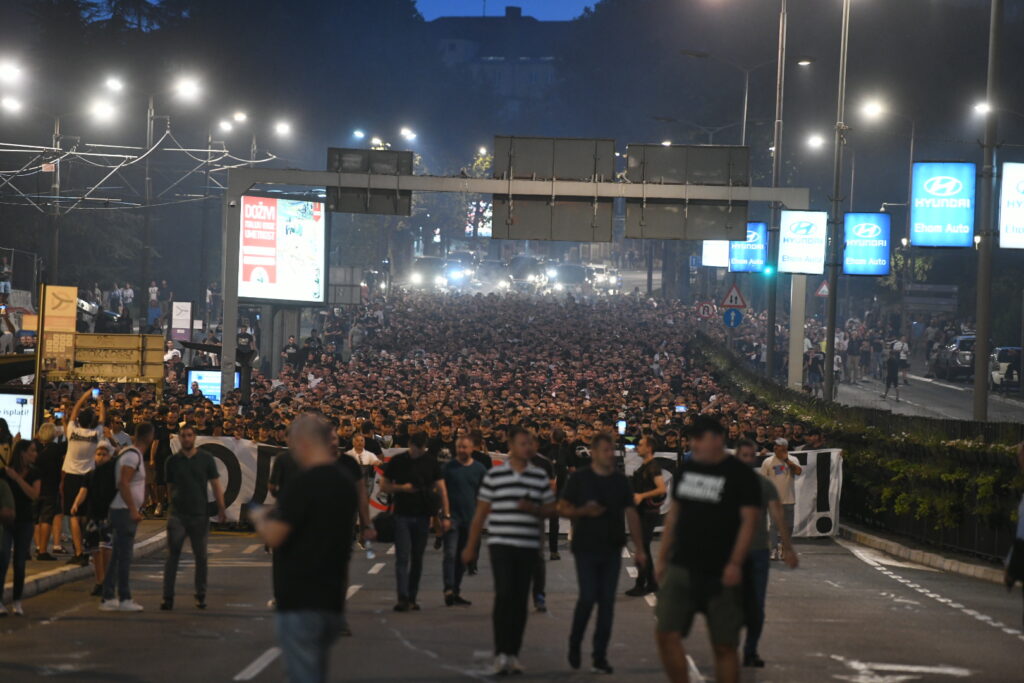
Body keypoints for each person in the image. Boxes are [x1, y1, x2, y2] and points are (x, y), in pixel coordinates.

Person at [654, 415, 761, 683]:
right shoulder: (687, 470)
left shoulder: (740, 475)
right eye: (692, 440)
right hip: (683, 564)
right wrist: (662, 558)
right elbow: (674, 516)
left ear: (717, 439)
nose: (694, 445)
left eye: (699, 439)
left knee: (724, 646)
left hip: (723, 570)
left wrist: (736, 564)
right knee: (665, 633)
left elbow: (750, 522)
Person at [255, 414, 357, 683]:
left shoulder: (302, 484)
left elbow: (276, 536)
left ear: (302, 443)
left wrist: (259, 519)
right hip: (332, 599)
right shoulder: (344, 481)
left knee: (302, 674)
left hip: (301, 599)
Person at [462, 426, 557, 676]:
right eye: (523, 444)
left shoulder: (538, 476)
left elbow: (550, 509)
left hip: (527, 546)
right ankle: (501, 652)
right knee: (504, 596)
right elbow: (481, 512)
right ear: (511, 447)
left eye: (531, 444)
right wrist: (470, 546)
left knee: (519, 600)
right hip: (501, 544)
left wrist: (533, 509)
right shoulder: (495, 476)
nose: (528, 448)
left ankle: (513, 653)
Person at [558, 432, 646, 675]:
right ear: (594, 452)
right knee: (587, 598)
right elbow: (563, 507)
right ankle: (575, 644)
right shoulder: (580, 479)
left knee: (606, 604)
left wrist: (639, 549)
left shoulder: (620, 481)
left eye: (612, 450)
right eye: (606, 450)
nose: (610, 454)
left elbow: (631, 514)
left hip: (611, 547)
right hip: (586, 547)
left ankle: (600, 655)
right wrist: (583, 511)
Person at [734, 439, 798, 667]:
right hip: (732, 554)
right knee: (731, 604)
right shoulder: (725, 485)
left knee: (757, 606)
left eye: (751, 456)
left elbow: (778, 517)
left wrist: (788, 547)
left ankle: (750, 650)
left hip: (759, 551)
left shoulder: (764, 485)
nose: (747, 460)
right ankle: (728, 649)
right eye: (743, 455)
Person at [380, 431, 451, 611]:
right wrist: (401, 488)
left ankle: (412, 596)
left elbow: (441, 489)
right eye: (415, 447)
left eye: (421, 448)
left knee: (417, 558)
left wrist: (446, 515)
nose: (418, 451)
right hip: (402, 514)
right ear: (410, 444)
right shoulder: (398, 461)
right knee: (402, 557)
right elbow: (384, 485)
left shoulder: (430, 462)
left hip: (423, 516)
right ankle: (402, 597)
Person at [161, 424, 227, 611]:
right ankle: (167, 597)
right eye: (183, 436)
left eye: (190, 435)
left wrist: (221, 508)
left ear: (195, 437)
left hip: (199, 514)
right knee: (172, 556)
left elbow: (215, 484)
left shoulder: (206, 459)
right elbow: (169, 487)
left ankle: (200, 594)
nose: (187, 439)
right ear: (180, 438)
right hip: (177, 515)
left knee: (201, 557)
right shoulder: (172, 461)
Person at [99, 422, 154, 612]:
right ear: (149, 437)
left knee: (117, 556)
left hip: (122, 509)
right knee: (124, 556)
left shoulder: (128, 453)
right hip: (123, 511)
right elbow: (123, 483)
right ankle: (124, 597)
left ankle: (108, 596)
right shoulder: (132, 455)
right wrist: (133, 510)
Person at [63, 388, 106, 566]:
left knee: (73, 515)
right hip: (89, 477)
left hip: (71, 476)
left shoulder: (72, 432)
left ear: (79, 421)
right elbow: (103, 418)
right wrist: (100, 400)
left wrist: (85, 396)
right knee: (86, 515)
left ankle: (78, 550)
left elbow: (73, 414)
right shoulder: (95, 434)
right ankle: (88, 547)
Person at [70, 440, 118, 597]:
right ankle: (99, 581)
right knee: (95, 551)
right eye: (98, 454)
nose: (101, 457)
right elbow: (83, 491)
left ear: (110, 456)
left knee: (106, 549)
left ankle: (108, 581)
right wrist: (76, 503)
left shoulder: (114, 474)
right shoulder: (90, 474)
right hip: (93, 515)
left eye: (104, 454)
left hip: (108, 515)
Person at [441, 435, 486, 606]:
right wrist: (443, 515)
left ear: (472, 448)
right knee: (450, 554)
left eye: (465, 447)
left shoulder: (480, 469)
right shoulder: (447, 468)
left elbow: (485, 495)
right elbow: (440, 491)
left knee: (462, 557)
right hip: (451, 518)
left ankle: (456, 590)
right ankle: (448, 588)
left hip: (470, 519)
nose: (461, 450)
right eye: (459, 447)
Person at [0, 439, 40, 616]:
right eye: (32, 450)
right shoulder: (4, 472)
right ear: (22, 453)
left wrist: (17, 479)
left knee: (20, 562)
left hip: (25, 521)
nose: (35, 454)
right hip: (6, 521)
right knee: (2, 560)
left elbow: (34, 495)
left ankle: (17, 600)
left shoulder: (34, 473)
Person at [626, 434, 666, 596]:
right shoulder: (646, 466)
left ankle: (641, 584)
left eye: (641, 445)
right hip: (643, 511)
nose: (638, 447)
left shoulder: (653, 467)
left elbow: (662, 489)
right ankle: (651, 583)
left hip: (648, 513)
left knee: (642, 548)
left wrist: (642, 496)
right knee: (645, 548)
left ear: (649, 448)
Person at [759, 439, 802, 562]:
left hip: (789, 499)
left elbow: (799, 472)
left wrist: (786, 460)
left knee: (788, 526)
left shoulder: (793, 460)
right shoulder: (768, 461)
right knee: (773, 526)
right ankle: (774, 549)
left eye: (778, 447)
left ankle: (785, 548)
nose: (775, 449)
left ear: (785, 448)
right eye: (775, 446)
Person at [32, 422, 64, 561]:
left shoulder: (34, 448)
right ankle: (43, 550)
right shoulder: (56, 449)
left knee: (36, 519)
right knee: (46, 518)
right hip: (51, 487)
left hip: (35, 486)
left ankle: (38, 546)